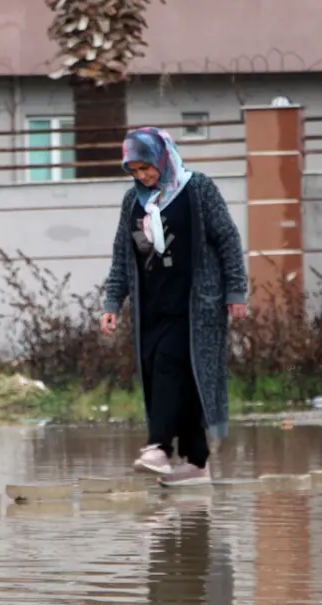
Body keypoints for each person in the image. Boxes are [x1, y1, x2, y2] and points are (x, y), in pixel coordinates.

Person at [100, 127, 248, 487]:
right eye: (134, 170)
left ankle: (159, 447)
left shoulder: (198, 189)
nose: (142, 176)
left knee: (170, 364)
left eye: (146, 167)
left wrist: (236, 292)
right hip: (152, 305)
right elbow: (123, 253)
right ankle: (196, 462)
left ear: (163, 158)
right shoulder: (134, 201)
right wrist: (112, 301)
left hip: (197, 305)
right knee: (166, 374)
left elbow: (227, 239)